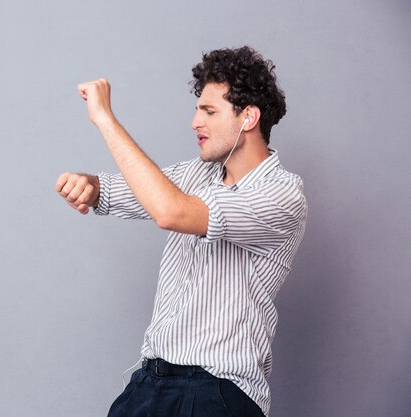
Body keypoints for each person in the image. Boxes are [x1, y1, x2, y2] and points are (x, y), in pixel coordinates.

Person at [55, 46, 307, 417]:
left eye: (208, 111)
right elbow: (126, 190)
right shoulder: (196, 174)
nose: (194, 122)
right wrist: (89, 186)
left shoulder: (282, 194)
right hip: (149, 381)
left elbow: (171, 212)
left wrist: (105, 119)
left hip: (217, 390)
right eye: (197, 110)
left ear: (248, 117)